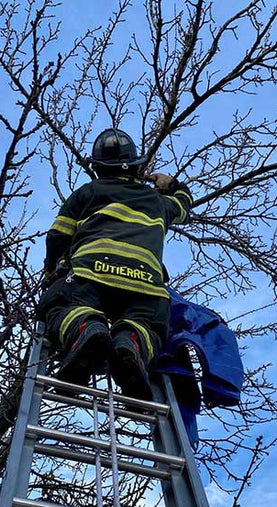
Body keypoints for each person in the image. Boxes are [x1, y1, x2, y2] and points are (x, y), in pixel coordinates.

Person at [38, 128, 193, 399]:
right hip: (145, 286)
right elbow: (184, 204)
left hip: (90, 275)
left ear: (97, 167)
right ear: (135, 167)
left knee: (59, 304)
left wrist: (52, 271)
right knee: (148, 326)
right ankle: (130, 344)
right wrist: (171, 184)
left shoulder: (87, 192)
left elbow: (57, 236)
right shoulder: (157, 201)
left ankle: (87, 330)